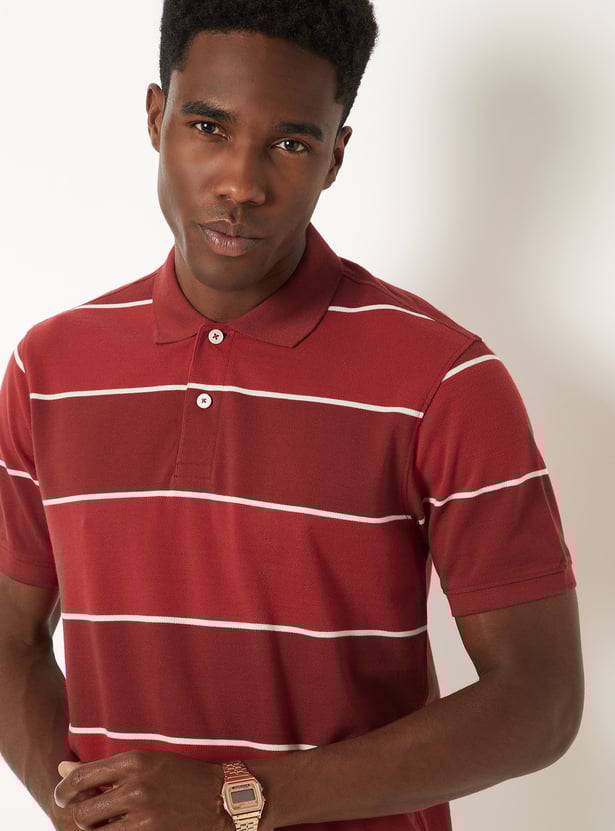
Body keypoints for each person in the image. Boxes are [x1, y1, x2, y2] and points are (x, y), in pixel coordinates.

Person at [0, 2, 583, 830]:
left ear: (335, 156)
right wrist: (79, 810)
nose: (240, 183)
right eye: (208, 126)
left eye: (289, 143)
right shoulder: (50, 368)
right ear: (156, 117)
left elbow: (540, 700)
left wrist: (235, 798)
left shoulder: (445, 379)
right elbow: (9, 635)